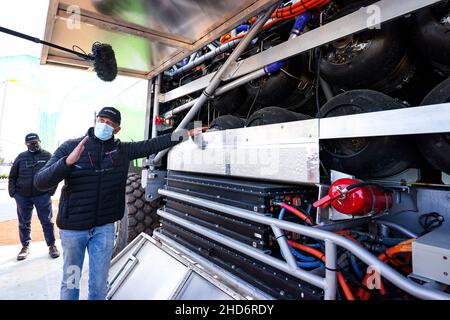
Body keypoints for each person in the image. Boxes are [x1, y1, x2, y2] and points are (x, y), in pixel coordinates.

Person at [34, 107, 200, 300]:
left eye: (110, 123)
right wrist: (67, 163)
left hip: (103, 230)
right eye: (102, 120)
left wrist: (185, 134)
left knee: (99, 283)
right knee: (71, 280)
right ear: (95, 120)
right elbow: (40, 182)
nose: (104, 125)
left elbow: (152, 144)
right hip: (73, 232)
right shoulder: (71, 146)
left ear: (117, 130)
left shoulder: (121, 150)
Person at [8, 133, 59, 261]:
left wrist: (50, 191)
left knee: (47, 222)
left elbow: (55, 174)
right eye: (31, 143)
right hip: (22, 196)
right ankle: (25, 246)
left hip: (42, 195)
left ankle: (52, 245)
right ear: (26, 144)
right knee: (24, 223)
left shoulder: (47, 156)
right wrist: (13, 193)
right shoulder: (21, 157)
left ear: (40, 141)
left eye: (36, 142)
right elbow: (13, 176)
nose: (34, 144)